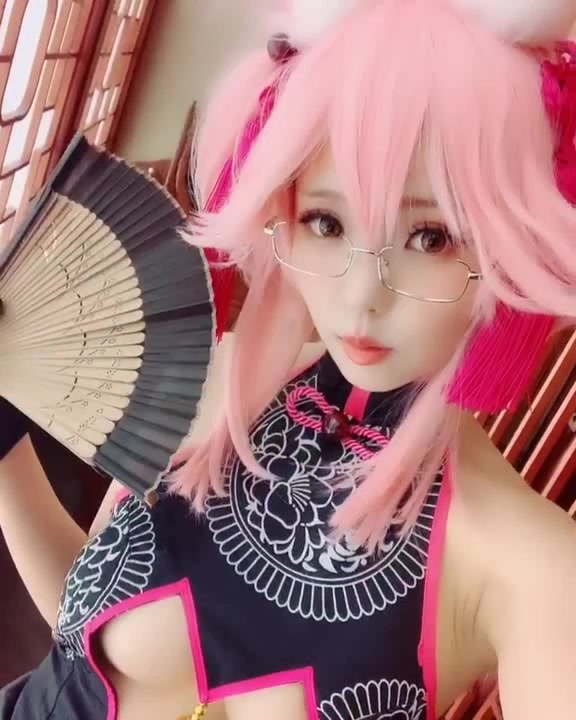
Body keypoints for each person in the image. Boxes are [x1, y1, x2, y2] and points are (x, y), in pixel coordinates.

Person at [1, 0, 576, 718]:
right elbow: (81, 643)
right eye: (327, 222)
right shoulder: (218, 382)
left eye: (430, 237)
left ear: (511, 243)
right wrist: (7, 450)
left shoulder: (530, 568)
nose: (362, 296)